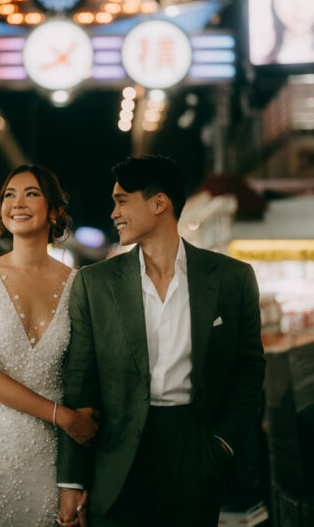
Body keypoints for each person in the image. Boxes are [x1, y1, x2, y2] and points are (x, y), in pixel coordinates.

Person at [58, 155, 266, 527]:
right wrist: (72, 479)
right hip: (116, 455)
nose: (113, 212)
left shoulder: (232, 278)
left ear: (159, 203)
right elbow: (79, 384)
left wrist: (222, 445)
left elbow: (249, 369)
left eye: (121, 200)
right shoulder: (95, 282)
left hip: (196, 447)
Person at [0, 164, 98, 526]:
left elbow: (81, 375)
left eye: (31, 193)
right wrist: (66, 418)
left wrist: (76, 476)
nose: (17, 202)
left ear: (56, 211)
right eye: (9, 195)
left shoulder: (79, 284)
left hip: (47, 454)